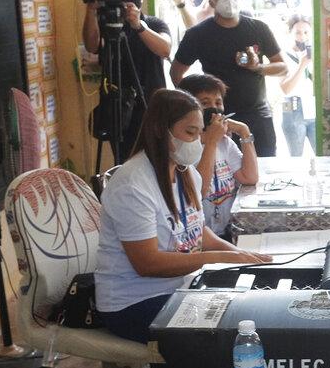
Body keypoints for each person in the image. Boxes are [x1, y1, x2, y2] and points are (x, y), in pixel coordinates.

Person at [96, 89, 269, 343]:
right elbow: (147, 264)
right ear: (160, 130)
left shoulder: (185, 171)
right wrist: (219, 258)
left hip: (181, 288)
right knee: (235, 332)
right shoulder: (132, 185)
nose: (197, 141)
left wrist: (241, 256)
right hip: (132, 304)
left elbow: (197, 230)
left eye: (200, 133)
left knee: (257, 307)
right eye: (190, 133)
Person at [171, 0, 288, 157]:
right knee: (222, 167)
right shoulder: (198, 35)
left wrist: (258, 68)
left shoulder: (258, 28)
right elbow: (176, 73)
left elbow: (282, 67)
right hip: (218, 119)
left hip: (258, 115)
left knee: (263, 165)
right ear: (211, 1)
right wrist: (197, 107)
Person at [82, 0, 171, 163]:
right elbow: (92, 46)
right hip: (119, 107)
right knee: (125, 161)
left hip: (152, 105)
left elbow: (165, 49)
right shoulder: (106, 23)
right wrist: (91, 8)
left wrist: (138, 25)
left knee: (156, 160)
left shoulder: (153, 23)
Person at [177, 74, 259, 239]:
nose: (214, 109)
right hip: (199, 237)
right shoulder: (181, 147)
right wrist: (211, 142)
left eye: (218, 102)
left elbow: (249, 177)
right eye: (205, 103)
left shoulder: (224, 143)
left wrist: (244, 131)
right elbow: (198, 192)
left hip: (227, 231)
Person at [279, 14, 317, 155]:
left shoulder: (317, 53)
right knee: (296, 157)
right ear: (290, 33)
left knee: (323, 154)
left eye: (306, 32)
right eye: (298, 32)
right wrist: (302, 65)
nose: (302, 37)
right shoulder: (284, 55)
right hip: (292, 107)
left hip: (314, 107)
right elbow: (285, 89)